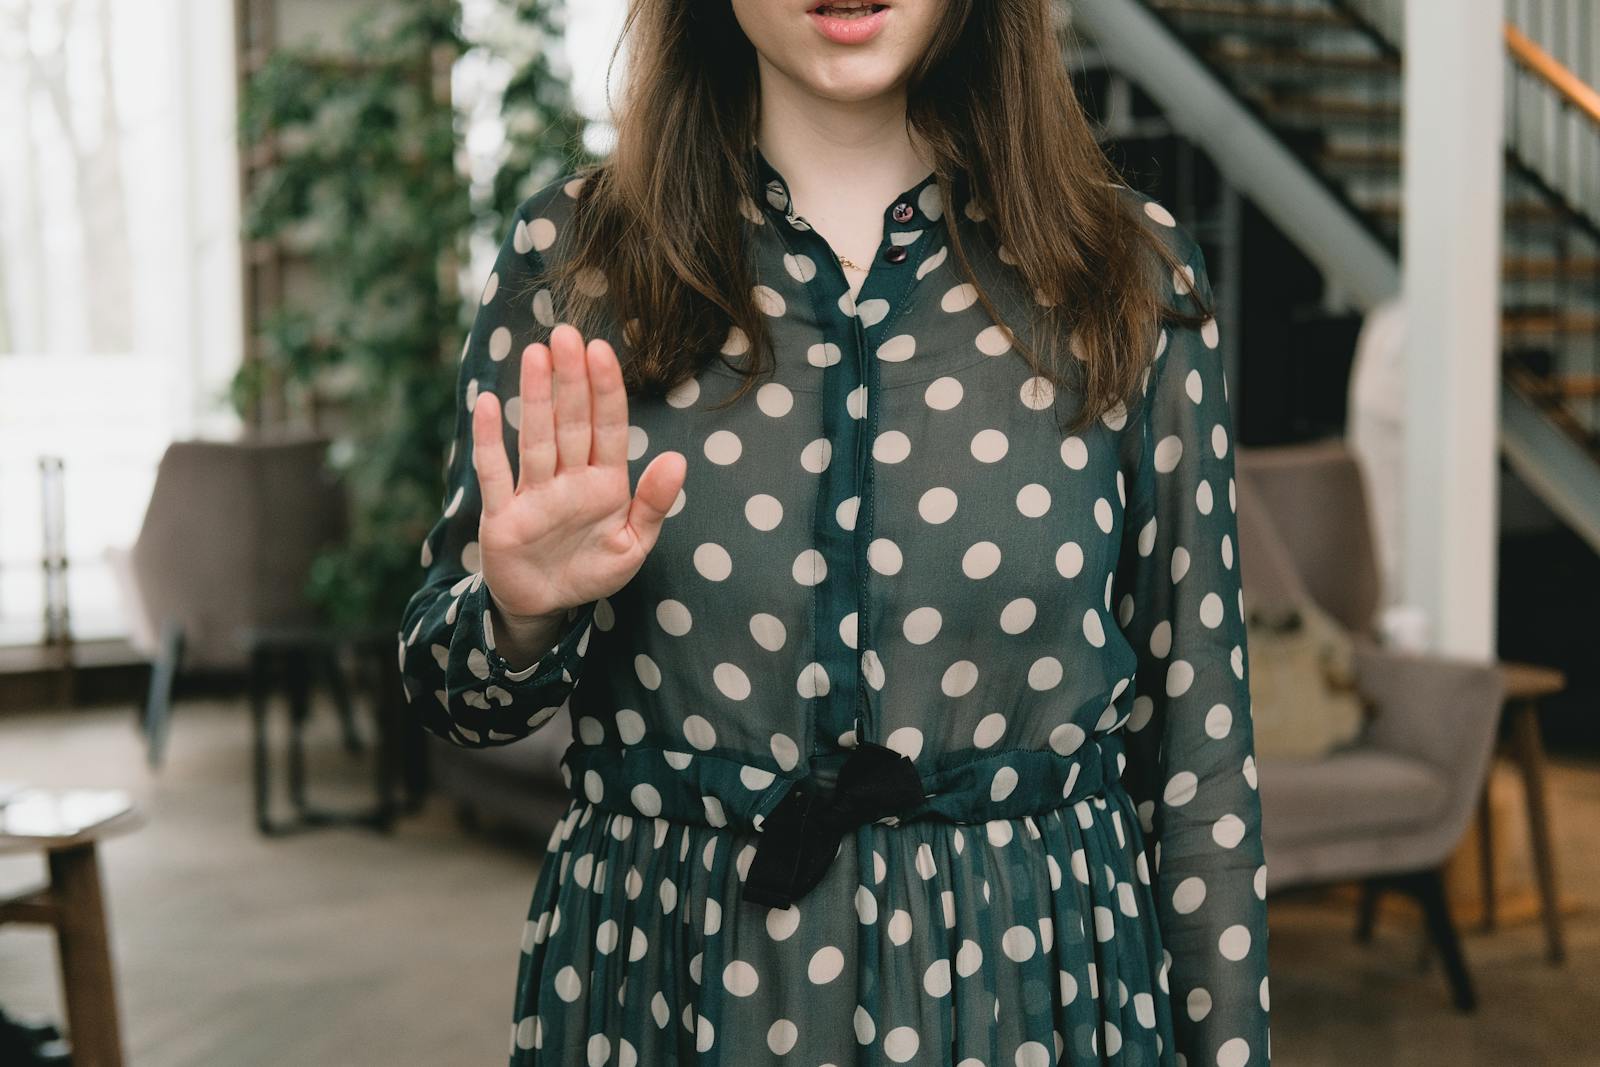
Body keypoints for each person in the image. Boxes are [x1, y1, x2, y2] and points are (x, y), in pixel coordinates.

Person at [396, 0, 1270, 1063]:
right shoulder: (573, 259)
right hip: (673, 981)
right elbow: (451, 690)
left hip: (1031, 985)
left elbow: (1201, 756)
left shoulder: (1125, 274)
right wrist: (521, 613)